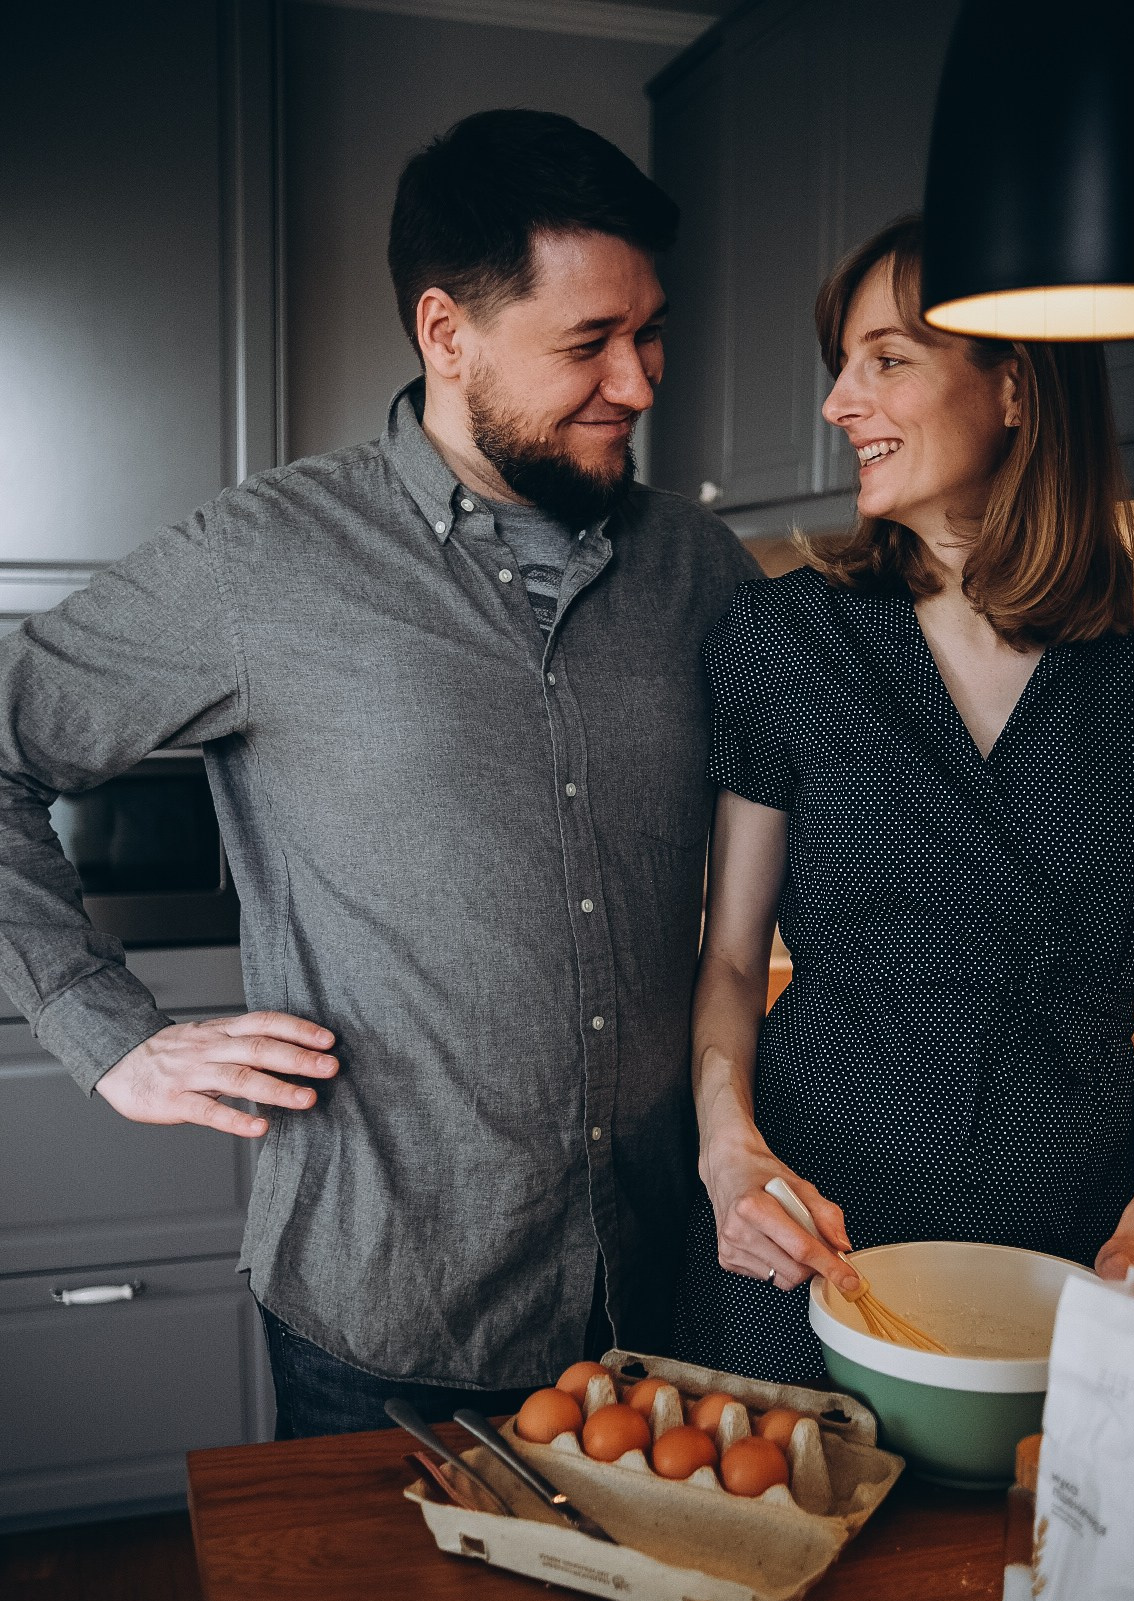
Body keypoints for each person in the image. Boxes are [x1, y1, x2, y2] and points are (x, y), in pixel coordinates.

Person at [0, 110, 759, 1433]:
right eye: (588, 344)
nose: (639, 386)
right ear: (446, 333)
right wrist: (97, 1027)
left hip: (657, 1301)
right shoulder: (260, 560)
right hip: (389, 1322)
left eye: (651, 335)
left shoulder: (702, 570)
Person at [674, 213, 1134, 1384]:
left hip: (1079, 1242)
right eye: (838, 365)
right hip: (812, 1228)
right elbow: (730, 963)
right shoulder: (784, 639)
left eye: (886, 360)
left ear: (1014, 387)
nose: (838, 404)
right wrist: (726, 1148)